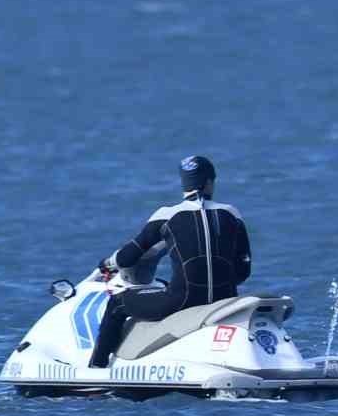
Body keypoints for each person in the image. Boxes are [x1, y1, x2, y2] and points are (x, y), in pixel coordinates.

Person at [88, 155, 253, 368]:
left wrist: (107, 263)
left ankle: (97, 368)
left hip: (180, 301)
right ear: (210, 182)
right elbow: (243, 271)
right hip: (225, 300)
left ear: (183, 185)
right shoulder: (232, 213)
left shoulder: (167, 214)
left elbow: (127, 258)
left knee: (117, 302)